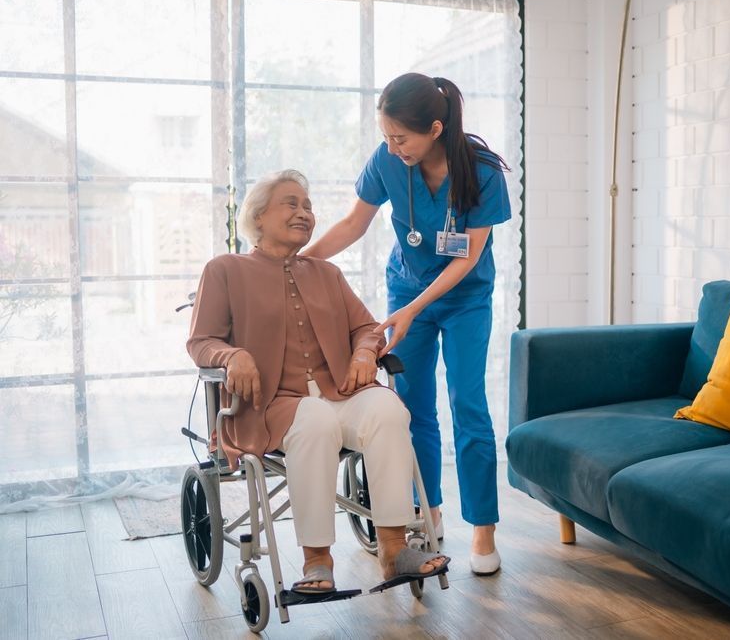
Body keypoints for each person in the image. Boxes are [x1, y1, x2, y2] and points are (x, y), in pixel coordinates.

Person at [186, 169, 449, 594]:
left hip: (339, 394)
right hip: (272, 407)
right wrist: (232, 355)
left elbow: (366, 327)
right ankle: (317, 561)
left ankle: (394, 549)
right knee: (315, 421)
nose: (304, 213)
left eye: (308, 206)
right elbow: (201, 342)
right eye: (291, 203)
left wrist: (366, 352)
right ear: (257, 215)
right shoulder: (225, 270)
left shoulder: (327, 274)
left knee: (388, 409)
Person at [303, 73, 511, 575]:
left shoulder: (481, 171)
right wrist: (301, 260)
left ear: (435, 128)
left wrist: (414, 308)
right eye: (386, 136)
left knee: (467, 402)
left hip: (464, 299)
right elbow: (355, 223)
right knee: (413, 406)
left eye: (401, 138)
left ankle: (483, 529)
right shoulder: (388, 161)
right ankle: (428, 513)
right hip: (406, 288)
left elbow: (468, 258)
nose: (393, 147)